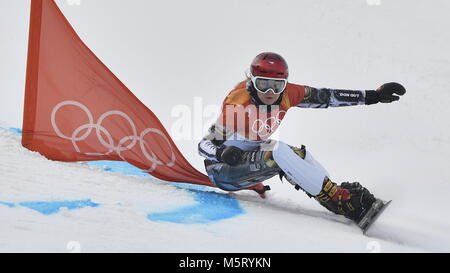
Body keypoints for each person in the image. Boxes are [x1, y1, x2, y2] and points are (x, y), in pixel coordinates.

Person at [198, 52, 406, 223]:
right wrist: (222, 152)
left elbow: (328, 97)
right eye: (263, 84)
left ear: (284, 85)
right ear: (251, 82)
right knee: (276, 152)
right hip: (222, 171)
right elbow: (204, 145)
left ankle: (336, 193)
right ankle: (340, 201)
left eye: (277, 86)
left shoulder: (288, 94)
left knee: (294, 155)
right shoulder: (239, 105)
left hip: (249, 162)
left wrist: (374, 96)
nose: (270, 92)